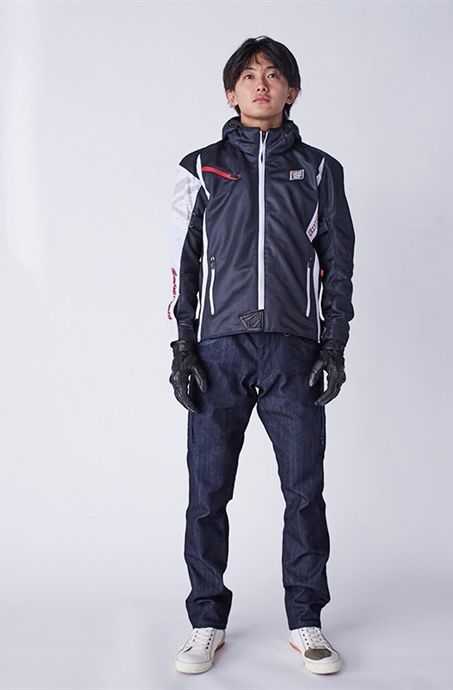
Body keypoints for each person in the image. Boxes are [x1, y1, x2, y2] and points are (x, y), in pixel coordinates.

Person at [168, 36, 355, 675]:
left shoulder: (321, 170)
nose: (261, 84)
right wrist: (182, 348)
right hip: (218, 350)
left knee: (304, 491)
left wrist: (334, 344)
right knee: (206, 492)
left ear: (292, 90)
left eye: (274, 75)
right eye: (249, 76)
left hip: (293, 351)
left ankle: (306, 621)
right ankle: (205, 622)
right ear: (231, 92)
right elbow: (181, 263)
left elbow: (337, 265)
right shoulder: (201, 167)